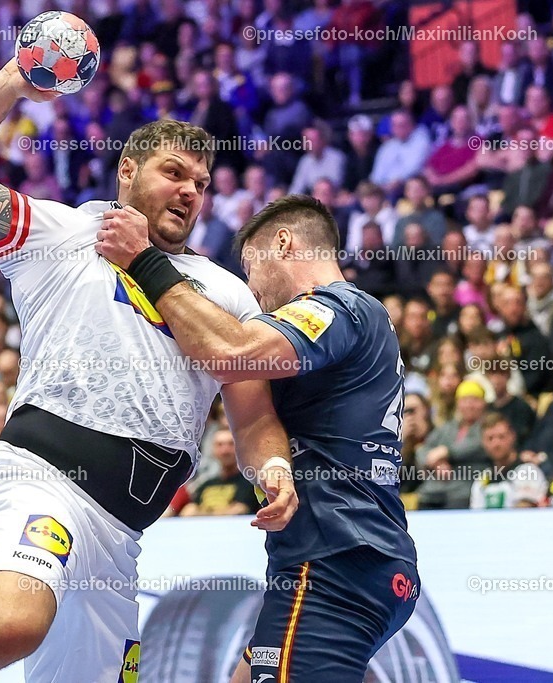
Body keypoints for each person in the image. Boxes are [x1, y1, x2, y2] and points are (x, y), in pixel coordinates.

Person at [0, 59, 297, 683]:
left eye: (201, 183)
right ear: (128, 171)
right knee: (12, 624)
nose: (190, 191)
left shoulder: (225, 292)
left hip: (119, 537)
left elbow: (252, 416)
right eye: (174, 172)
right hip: (41, 481)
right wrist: (12, 83)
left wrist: (272, 466)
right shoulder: (62, 232)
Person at [96, 194, 420, 683]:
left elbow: (232, 350)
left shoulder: (338, 307)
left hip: (333, 561)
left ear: (283, 244)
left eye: (251, 269)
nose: (252, 289)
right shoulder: (357, 322)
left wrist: (145, 260)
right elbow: (255, 417)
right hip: (355, 557)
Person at [470, 413, 547, 508]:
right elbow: (476, 514)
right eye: (490, 438)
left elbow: (524, 510)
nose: (496, 444)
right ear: (483, 442)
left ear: (512, 436)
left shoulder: (528, 471)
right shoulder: (481, 480)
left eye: (501, 437)